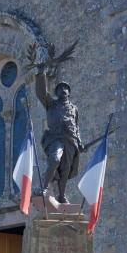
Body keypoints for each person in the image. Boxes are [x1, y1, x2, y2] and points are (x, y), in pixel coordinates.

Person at [34, 71, 85, 203]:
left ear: (69, 92)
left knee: (66, 170)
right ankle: (44, 188)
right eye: (60, 88)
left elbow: (76, 126)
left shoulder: (74, 109)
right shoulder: (51, 104)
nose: (63, 90)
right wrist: (41, 74)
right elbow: (41, 93)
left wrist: (79, 142)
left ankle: (62, 195)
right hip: (56, 138)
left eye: (65, 88)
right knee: (55, 159)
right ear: (56, 93)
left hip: (71, 141)